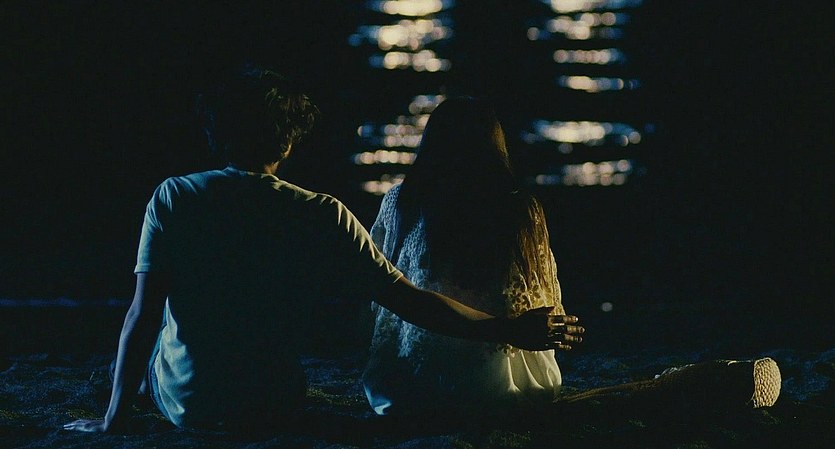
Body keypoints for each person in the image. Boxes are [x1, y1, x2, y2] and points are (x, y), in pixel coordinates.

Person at [62, 69, 584, 432]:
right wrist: (507, 330)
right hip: (274, 405)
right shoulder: (323, 213)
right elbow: (410, 300)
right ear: (289, 142)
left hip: (188, 407)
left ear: (216, 132)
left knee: (162, 332)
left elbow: (141, 313)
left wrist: (112, 422)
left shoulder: (173, 196)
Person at [362, 97, 580, 416]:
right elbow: (543, 300)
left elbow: (379, 291)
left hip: (416, 385)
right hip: (502, 387)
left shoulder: (402, 202)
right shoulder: (520, 208)